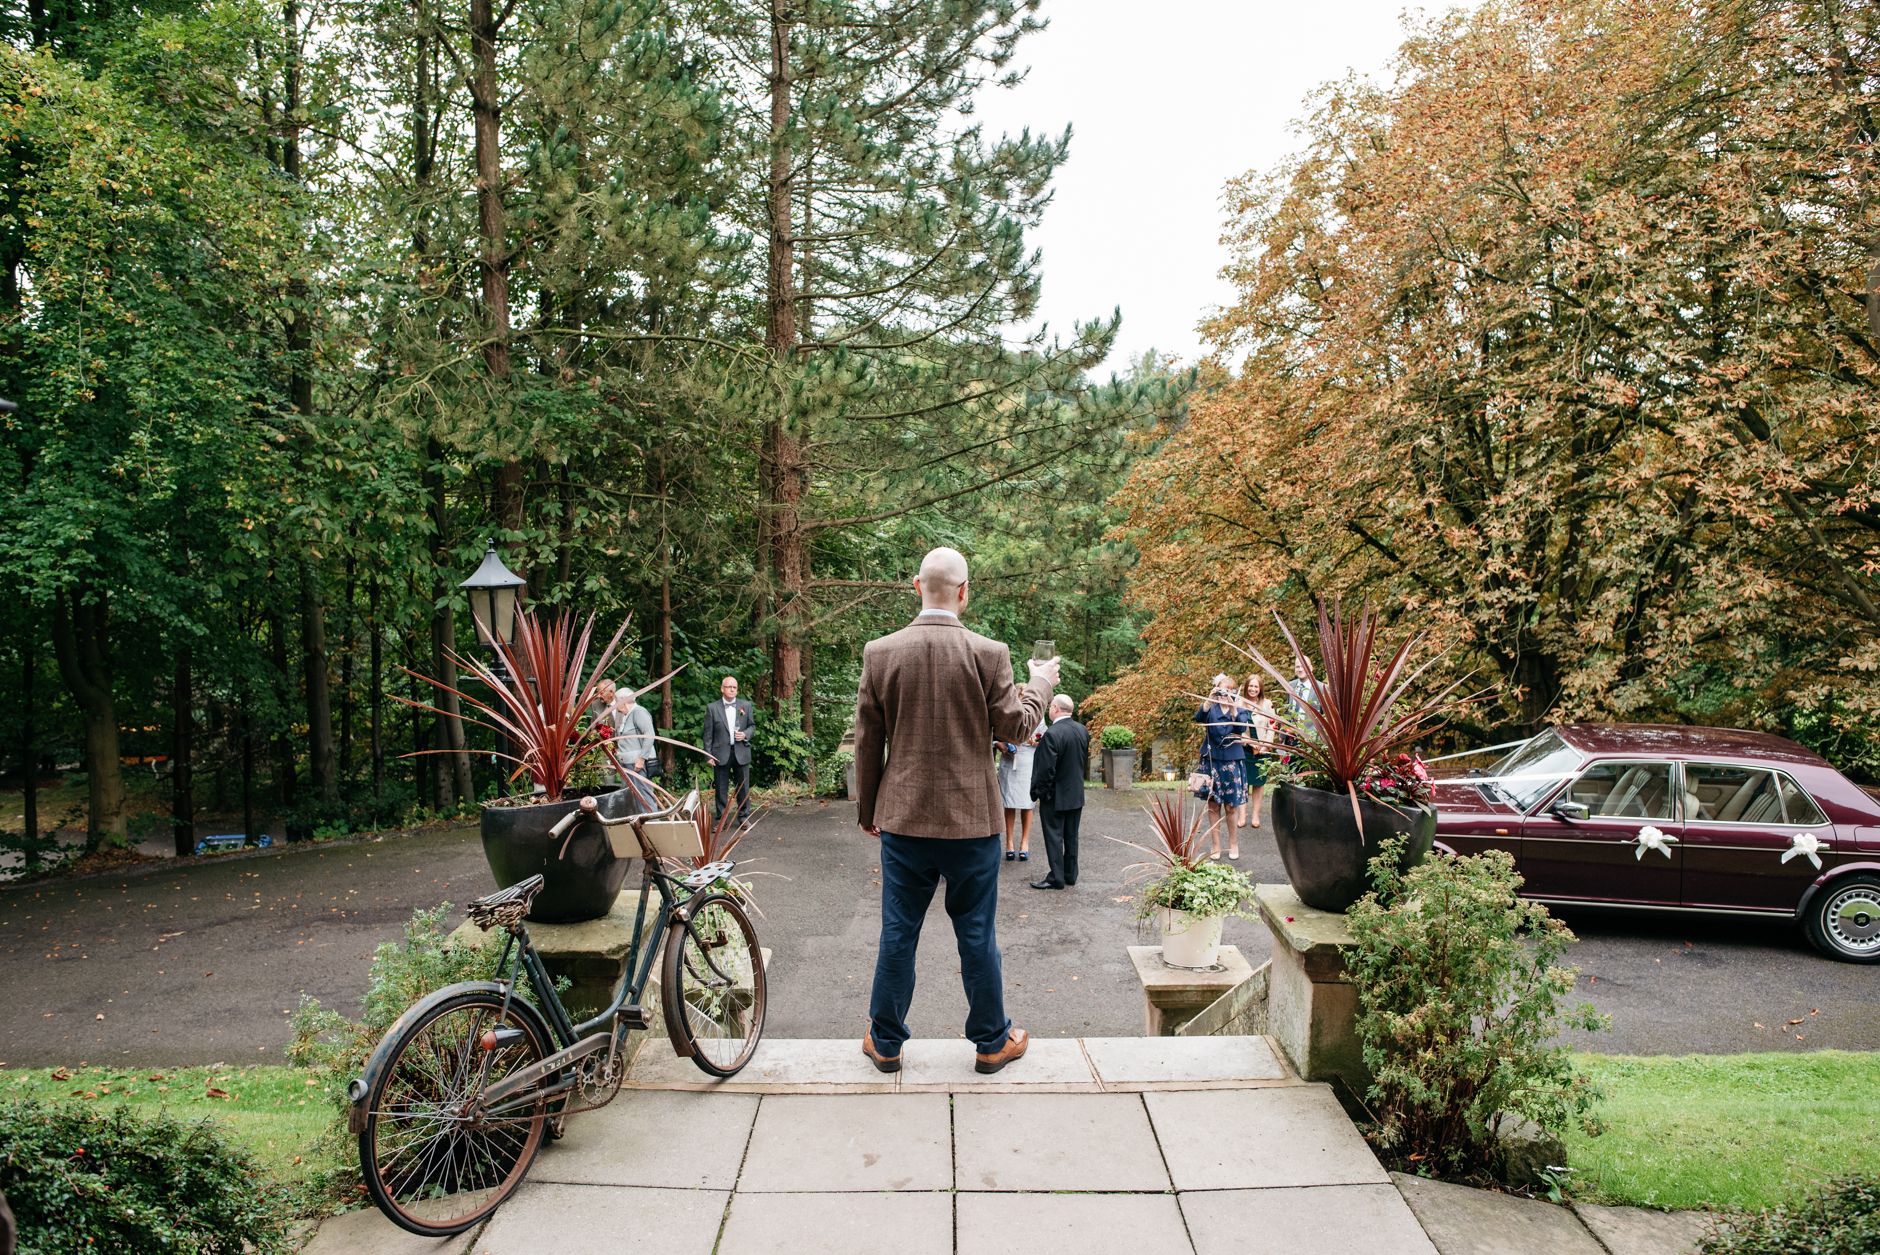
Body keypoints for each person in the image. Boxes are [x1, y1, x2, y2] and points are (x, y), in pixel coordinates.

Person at [854, 546, 1057, 1076]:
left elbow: (867, 740)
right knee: (975, 931)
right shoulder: (990, 653)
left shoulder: (881, 651)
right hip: (972, 823)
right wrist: (1043, 683)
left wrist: (867, 808)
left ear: (917, 586)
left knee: (899, 930)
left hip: (902, 817)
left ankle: (886, 1043)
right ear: (965, 592)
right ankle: (992, 1043)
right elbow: (1016, 729)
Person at [1028, 694, 1088, 890]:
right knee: (1071, 836)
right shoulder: (1082, 730)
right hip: (1076, 794)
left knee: (1054, 838)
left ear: (1055, 708)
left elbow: (1046, 769)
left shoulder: (1052, 734)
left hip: (1055, 796)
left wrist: (1041, 793)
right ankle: (1070, 875)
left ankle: (1056, 878)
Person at [1194, 674, 1248, 859]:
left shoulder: (1239, 710)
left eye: (1228, 691)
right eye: (1221, 690)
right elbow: (1198, 717)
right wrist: (1209, 700)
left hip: (1232, 763)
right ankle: (1215, 845)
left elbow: (1240, 728)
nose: (1224, 694)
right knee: (1213, 805)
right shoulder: (1212, 709)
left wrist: (1232, 705)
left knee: (1231, 806)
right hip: (1210, 761)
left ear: (1234, 692)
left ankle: (1233, 844)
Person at [701, 675, 755, 826]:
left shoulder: (746, 705)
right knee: (721, 789)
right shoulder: (712, 708)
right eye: (729, 687)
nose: (732, 690)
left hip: (741, 752)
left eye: (735, 687)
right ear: (722, 689)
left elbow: (752, 726)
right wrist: (708, 754)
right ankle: (721, 820)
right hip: (720, 754)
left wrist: (745, 734)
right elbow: (707, 733)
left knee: (743, 787)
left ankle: (744, 817)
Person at [997, 718, 1044, 861]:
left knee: (1027, 803)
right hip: (1009, 760)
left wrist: (1034, 742)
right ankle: (1009, 842)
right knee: (1009, 802)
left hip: (1028, 761)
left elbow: (1044, 739)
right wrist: (1003, 747)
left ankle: (1025, 842)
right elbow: (995, 736)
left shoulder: (1036, 715)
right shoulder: (1006, 711)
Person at [1239, 675, 1278, 830]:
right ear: (1246, 687)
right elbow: (1235, 728)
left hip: (1262, 751)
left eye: (1256, 687)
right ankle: (1242, 814)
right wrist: (1249, 742)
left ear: (1260, 688)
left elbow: (1272, 727)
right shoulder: (1239, 703)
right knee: (1243, 783)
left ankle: (1255, 814)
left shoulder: (1267, 704)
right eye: (1250, 686)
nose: (1253, 689)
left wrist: (1266, 746)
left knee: (1258, 783)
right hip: (1244, 749)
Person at [613, 687, 658, 806]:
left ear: (623, 700)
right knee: (632, 798)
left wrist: (641, 759)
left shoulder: (639, 712)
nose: (615, 705)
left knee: (644, 796)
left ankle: (652, 822)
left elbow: (649, 736)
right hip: (627, 763)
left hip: (637, 764)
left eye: (616, 701)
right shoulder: (627, 715)